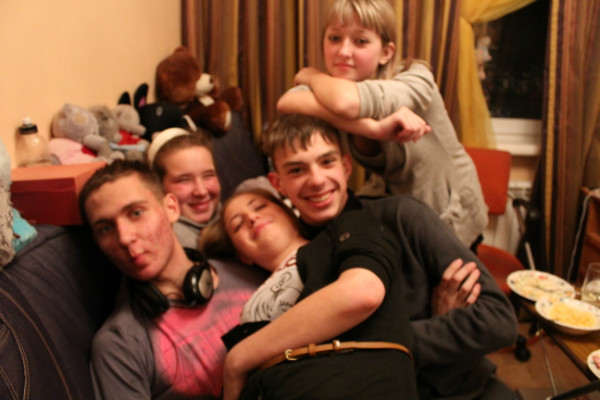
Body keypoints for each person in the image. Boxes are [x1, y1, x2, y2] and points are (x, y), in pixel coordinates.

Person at [263, 114, 519, 400]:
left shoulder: (403, 217)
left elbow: (498, 320)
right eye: (297, 170)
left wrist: (374, 345)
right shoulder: (294, 261)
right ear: (278, 183)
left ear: (346, 166)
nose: (317, 180)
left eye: (327, 162)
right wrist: (437, 325)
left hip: (467, 389)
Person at [277, 0, 488, 250]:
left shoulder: (415, 78)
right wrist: (372, 129)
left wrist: (312, 75)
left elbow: (346, 103)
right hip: (396, 203)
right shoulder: (331, 88)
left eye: (360, 41)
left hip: (447, 208)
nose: (343, 51)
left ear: (386, 52)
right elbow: (287, 102)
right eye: (334, 38)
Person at [200, 187, 418, 400]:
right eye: (237, 225)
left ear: (289, 213)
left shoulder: (345, 229)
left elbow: (362, 292)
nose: (251, 218)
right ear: (243, 257)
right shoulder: (249, 303)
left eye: (259, 207)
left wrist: (238, 359)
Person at [79, 160, 266, 399]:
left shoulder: (247, 265)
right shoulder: (119, 345)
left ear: (171, 208)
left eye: (136, 213)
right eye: (106, 228)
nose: (124, 238)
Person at [147, 127, 222, 249]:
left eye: (208, 176)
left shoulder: (236, 218)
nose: (201, 191)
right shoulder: (174, 246)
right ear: (159, 187)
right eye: (184, 180)